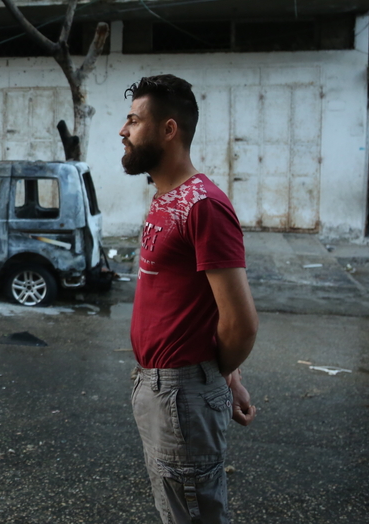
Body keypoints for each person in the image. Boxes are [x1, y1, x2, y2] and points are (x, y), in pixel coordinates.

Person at [119, 74, 259, 524]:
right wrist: (230, 378)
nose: (123, 131)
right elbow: (201, 305)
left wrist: (212, 378)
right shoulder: (166, 198)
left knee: (193, 515)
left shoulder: (202, 205)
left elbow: (240, 323)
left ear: (168, 129)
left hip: (181, 394)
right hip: (159, 388)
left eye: (134, 120)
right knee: (177, 509)